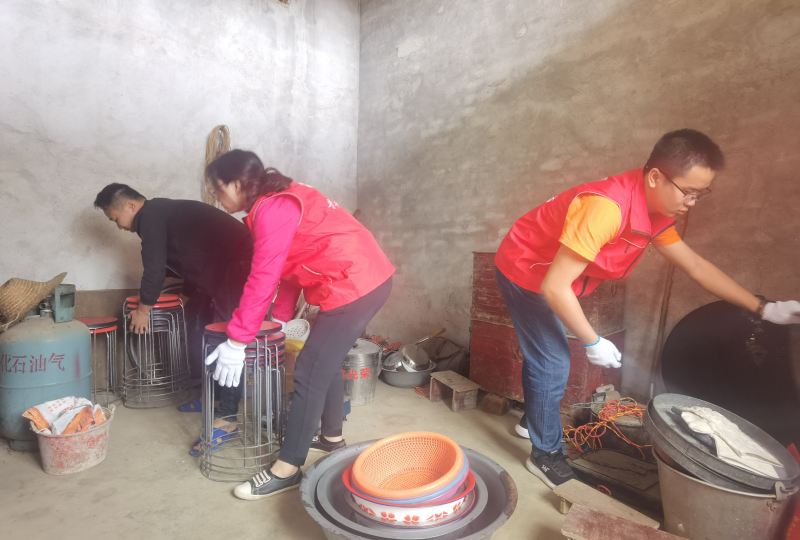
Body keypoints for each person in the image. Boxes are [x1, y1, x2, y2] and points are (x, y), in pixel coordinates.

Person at [494, 129, 800, 489]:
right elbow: (554, 287)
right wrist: (593, 341)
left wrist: (763, 309)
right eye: (688, 191)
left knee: (546, 354)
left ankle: (534, 421)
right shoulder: (605, 209)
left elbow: (695, 266)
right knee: (553, 360)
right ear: (655, 177)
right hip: (526, 270)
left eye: (700, 193)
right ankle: (545, 454)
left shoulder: (655, 212)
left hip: (555, 275)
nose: (692, 202)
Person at [203, 150, 395, 500]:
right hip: (362, 278)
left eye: (217, 189)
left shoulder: (272, 208)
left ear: (236, 183)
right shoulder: (278, 200)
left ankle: (287, 469)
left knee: (307, 371)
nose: (217, 197)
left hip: (354, 283)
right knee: (324, 362)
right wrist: (280, 317)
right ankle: (332, 439)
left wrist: (237, 340)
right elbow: (290, 266)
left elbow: (263, 277)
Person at [93, 184, 254, 448]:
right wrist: (188, 296)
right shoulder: (161, 214)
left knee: (225, 338)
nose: (119, 226)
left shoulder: (151, 216)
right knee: (199, 331)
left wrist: (143, 310)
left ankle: (227, 417)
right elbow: (194, 256)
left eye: (115, 218)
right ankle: (214, 397)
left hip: (239, 265)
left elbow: (154, 268)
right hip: (221, 269)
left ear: (130, 206)